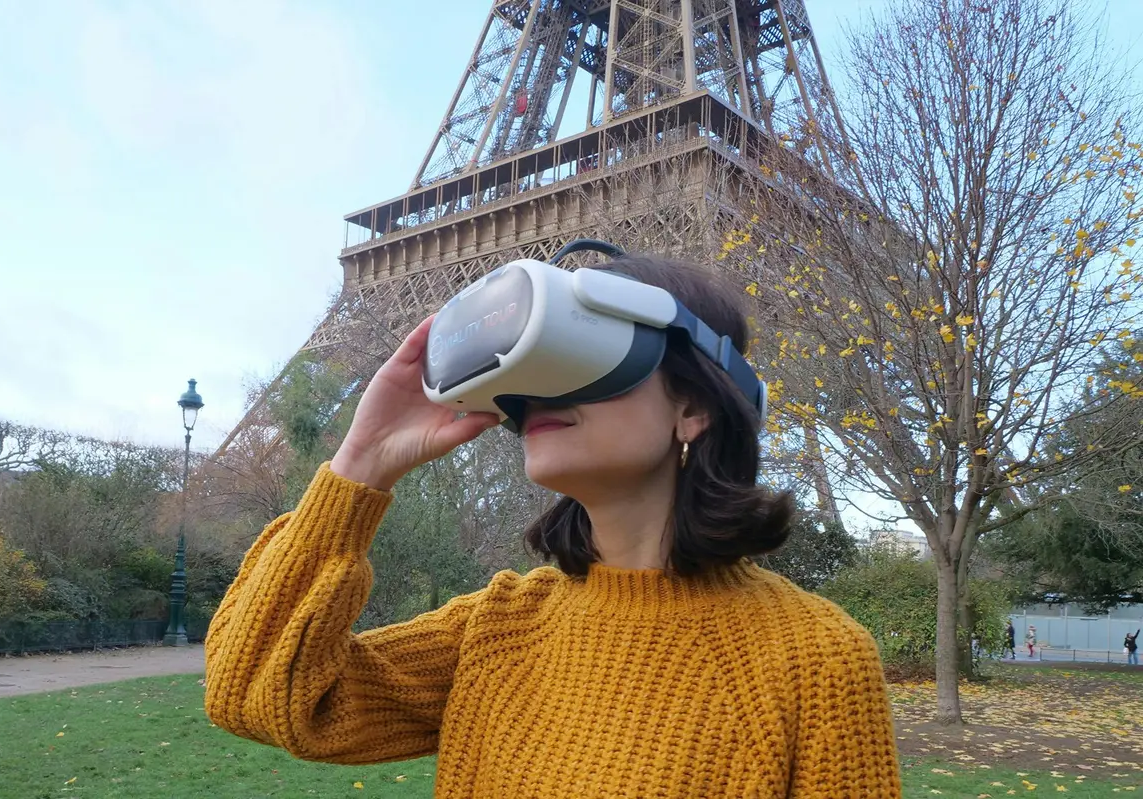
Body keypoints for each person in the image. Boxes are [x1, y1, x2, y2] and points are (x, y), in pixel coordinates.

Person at [203, 255, 902, 797]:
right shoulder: (499, 626)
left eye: (584, 348)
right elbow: (255, 693)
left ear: (693, 404)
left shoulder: (815, 660)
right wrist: (361, 466)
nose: (541, 387)